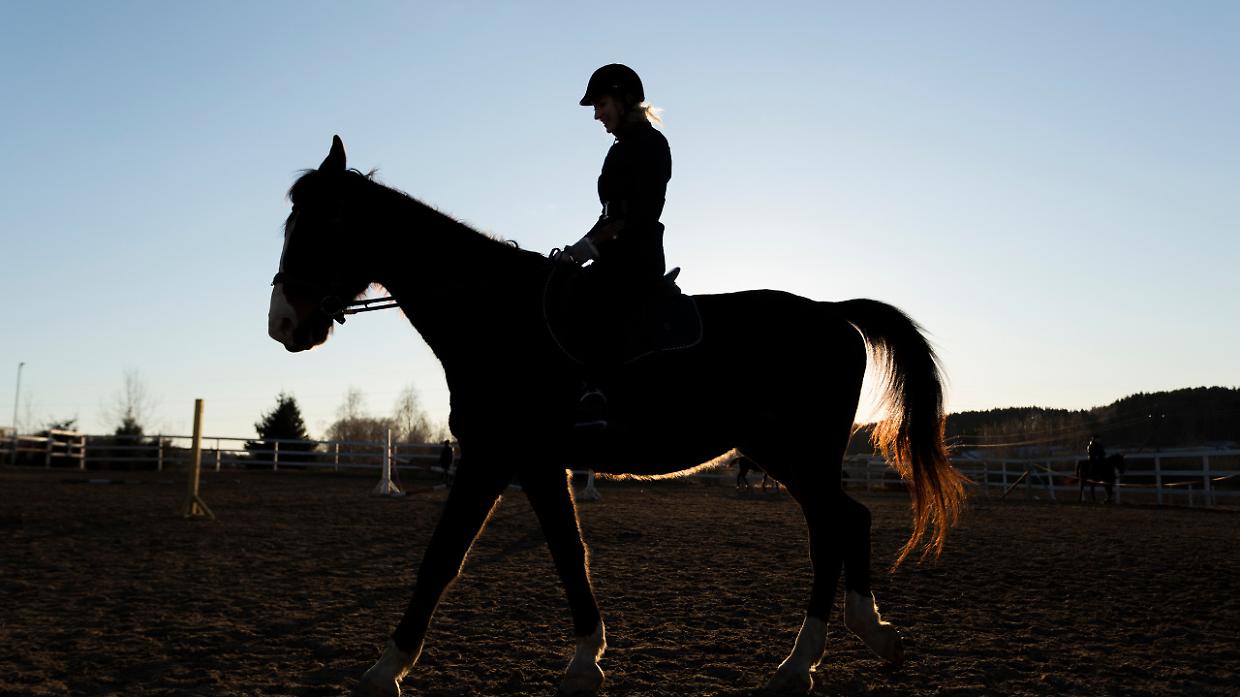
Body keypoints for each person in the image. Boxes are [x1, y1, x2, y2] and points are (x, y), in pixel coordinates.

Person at [560, 63, 673, 428]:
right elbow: (608, 214)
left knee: (592, 298)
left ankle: (596, 393)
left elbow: (635, 216)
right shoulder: (619, 149)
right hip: (613, 253)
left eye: (601, 104)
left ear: (625, 101)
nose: (597, 115)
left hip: (635, 259)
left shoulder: (652, 144)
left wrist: (588, 249)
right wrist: (574, 251)